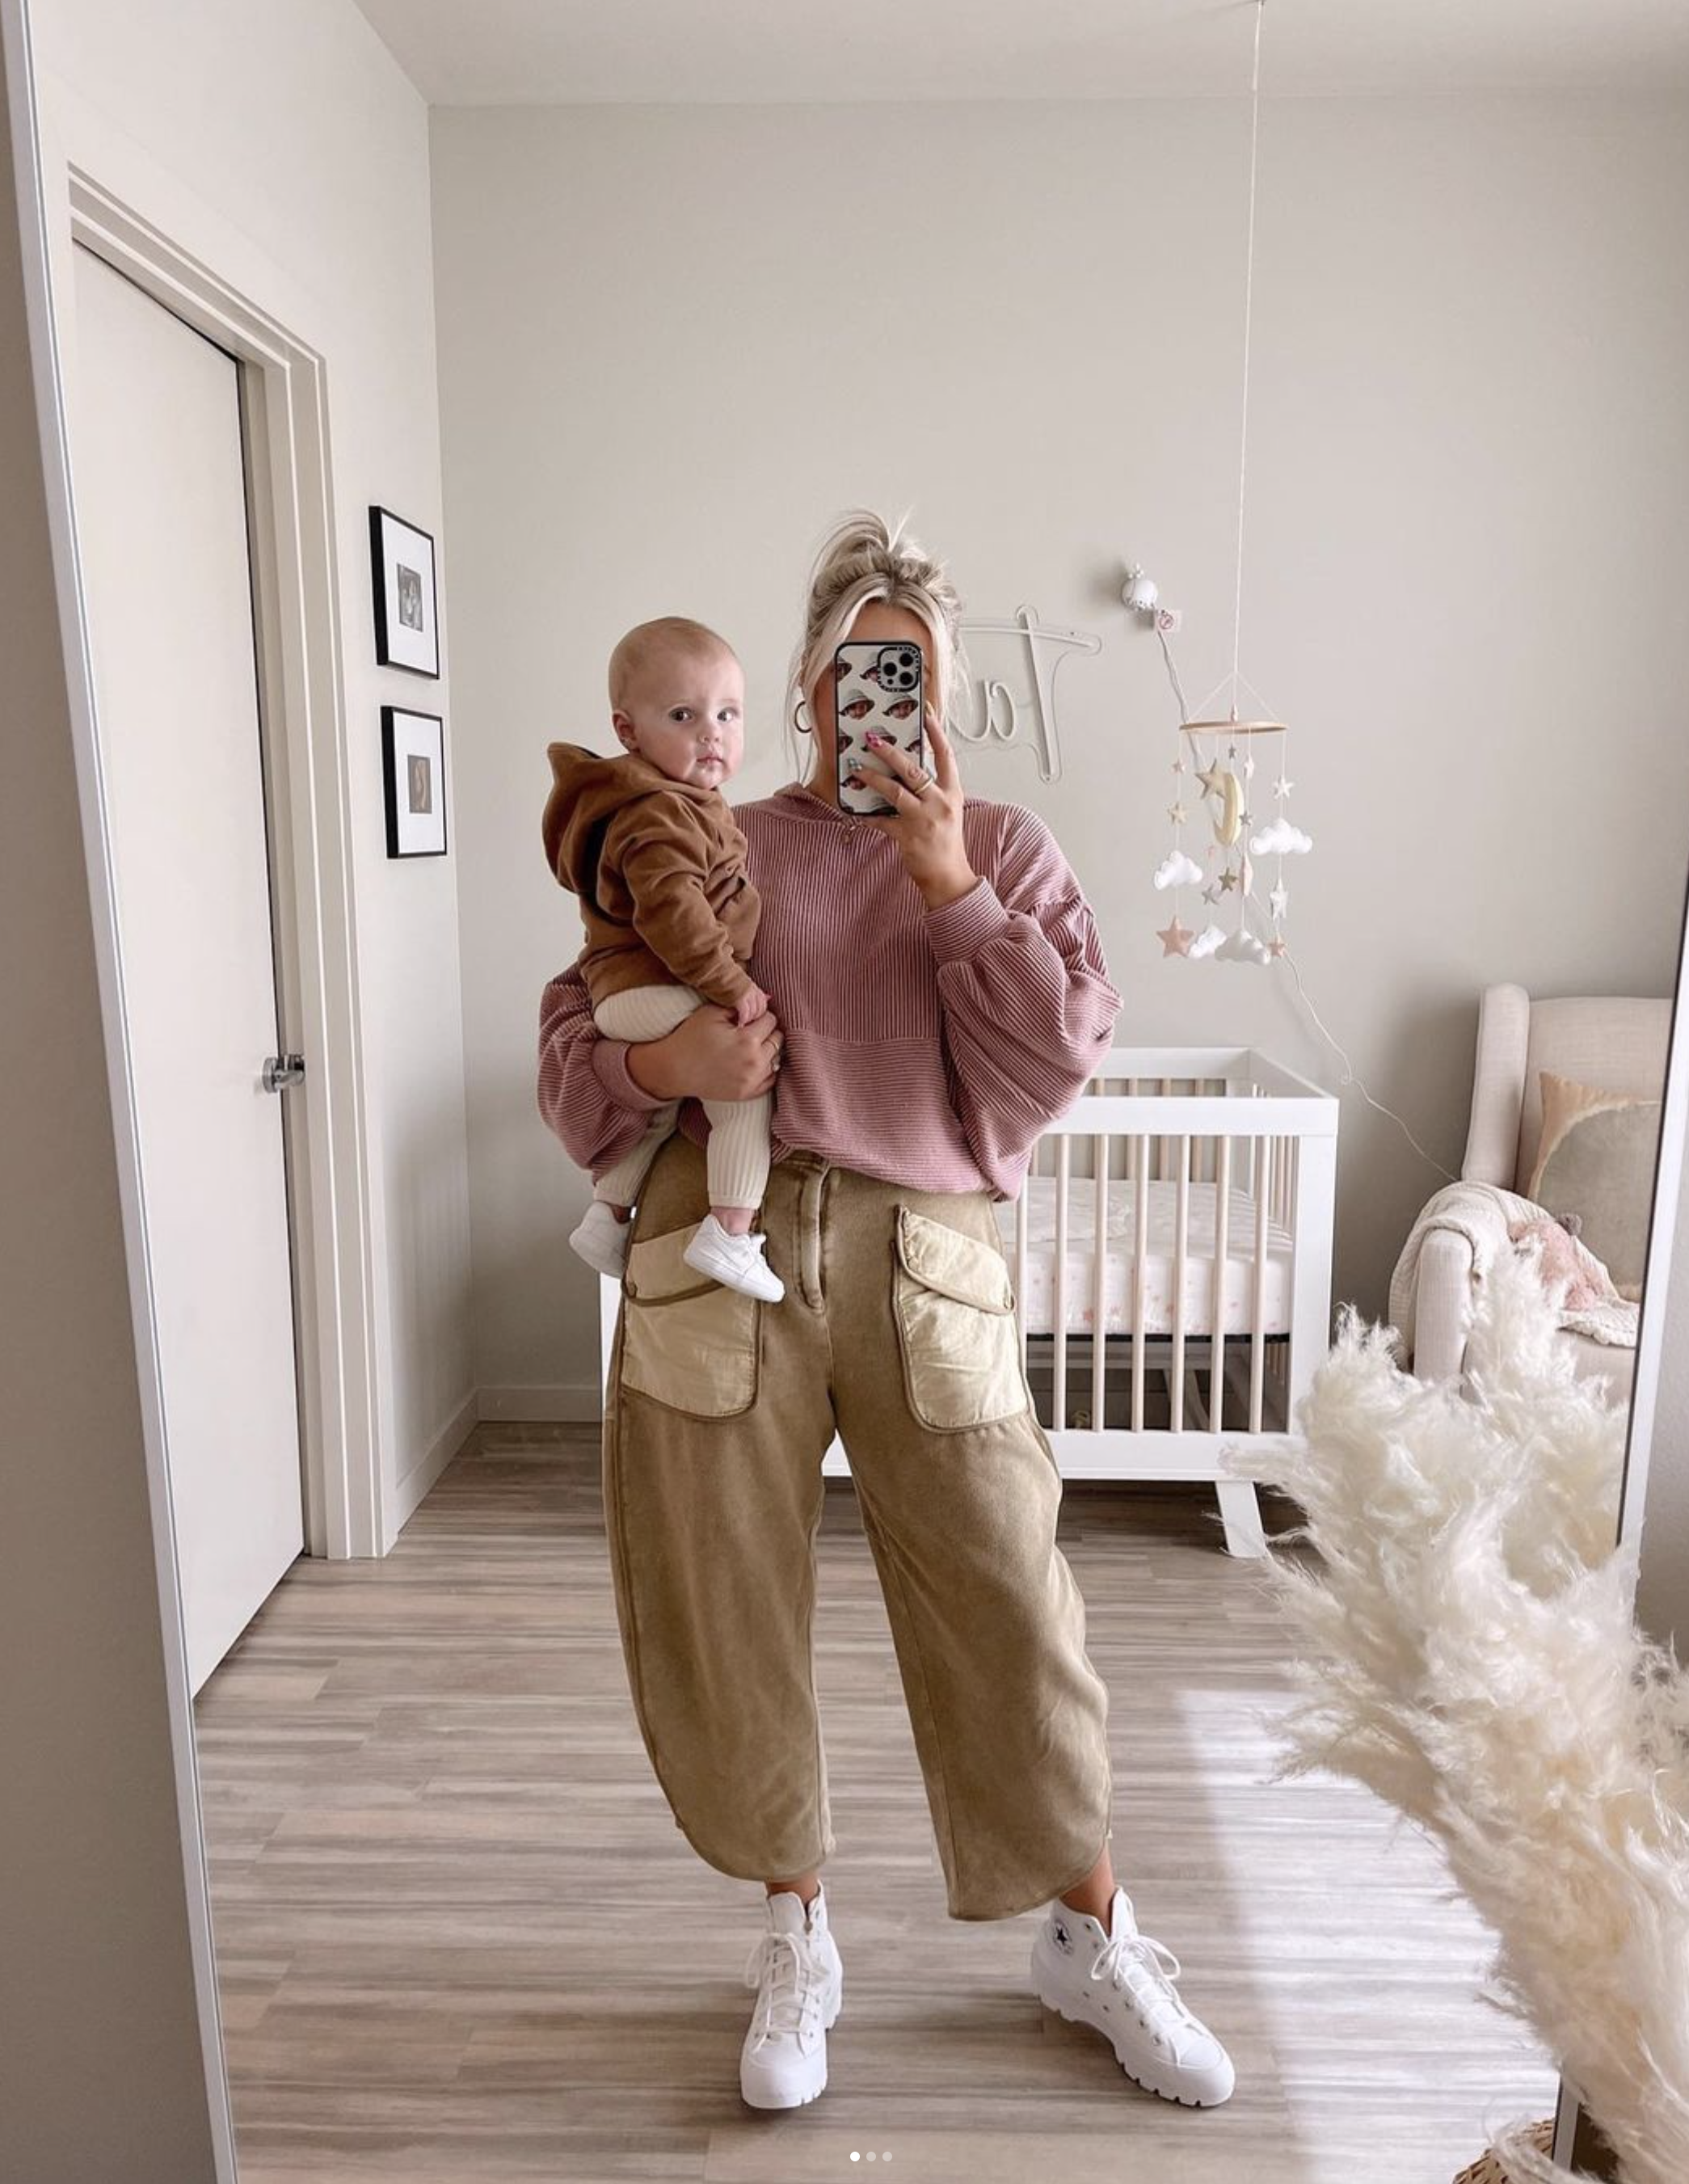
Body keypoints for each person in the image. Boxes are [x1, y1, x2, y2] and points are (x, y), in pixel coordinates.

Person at [537, 511, 1236, 2114]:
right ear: (805, 680)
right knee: (725, 1592)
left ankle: (1092, 1930)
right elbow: (575, 1044)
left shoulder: (1004, 848)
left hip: (930, 1256)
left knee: (1009, 1590)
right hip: (725, 1240)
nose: (878, 700)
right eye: (856, 667)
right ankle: (796, 1931)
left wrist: (950, 888)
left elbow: (1050, 1064)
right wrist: (666, 1063)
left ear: (947, 687)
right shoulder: (706, 830)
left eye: (910, 672)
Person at [542, 616, 783, 1302]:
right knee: (742, 1088)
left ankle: (607, 1214)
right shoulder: (659, 814)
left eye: (728, 714)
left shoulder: (683, 805)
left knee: (665, 1108)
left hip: (629, 991)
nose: (712, 733)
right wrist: (731, 984)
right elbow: (673, 913)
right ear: (628, 731)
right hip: (646, 986)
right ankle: (730, 1231)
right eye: (684, 715)